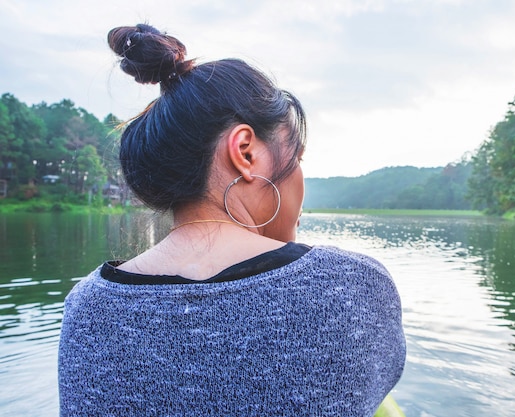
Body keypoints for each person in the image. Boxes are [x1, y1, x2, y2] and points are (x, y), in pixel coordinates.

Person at [58, 23, 406, 416]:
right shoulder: (351, 286)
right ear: (245, 151)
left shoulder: (87, 311)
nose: (300, 178)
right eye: (299, 158)